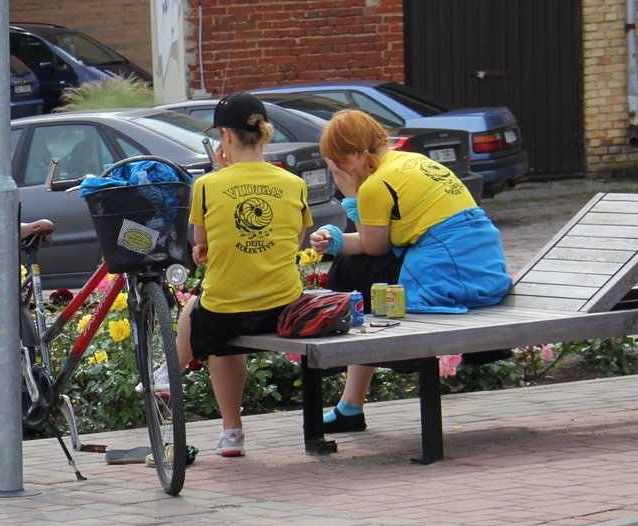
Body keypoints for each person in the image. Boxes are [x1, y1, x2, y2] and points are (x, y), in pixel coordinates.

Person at [308, 108, 511, 434]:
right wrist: (334, 241)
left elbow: (373, 247)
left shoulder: (374, 186)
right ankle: (349, 405)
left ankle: (330, 350)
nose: (336, 170)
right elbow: (379, 242)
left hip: (449, 276)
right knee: (355, 271)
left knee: (352, 273)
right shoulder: (414, 161)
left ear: (352, 154)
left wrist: (350, 196)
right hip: (481, 269)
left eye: (336, 162)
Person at [175, 92, 314, 457]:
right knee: (217, 307)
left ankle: (225, 426)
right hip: (282, 307)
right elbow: (296, 243)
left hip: (226, 313)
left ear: (227, 137)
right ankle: (222, 425)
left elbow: (201, 247)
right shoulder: (294, 183)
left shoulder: (207, 185)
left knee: (201, 307)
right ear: (264, 135)